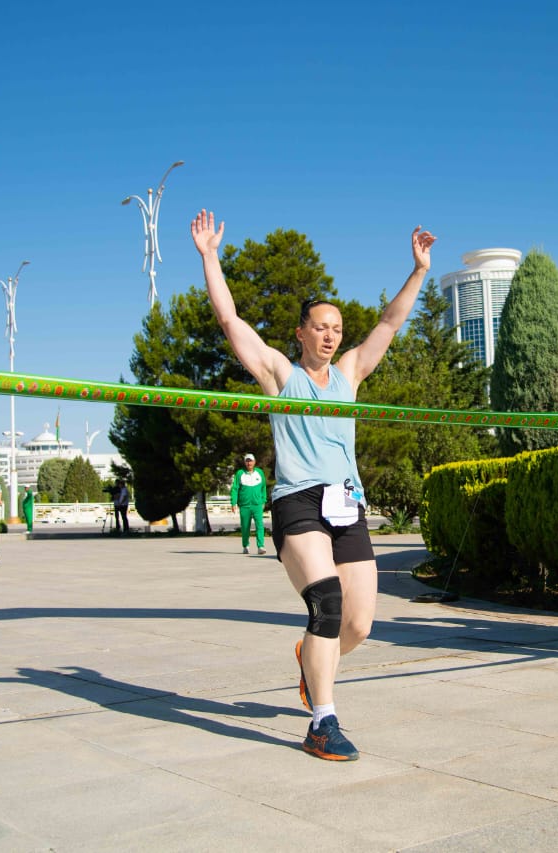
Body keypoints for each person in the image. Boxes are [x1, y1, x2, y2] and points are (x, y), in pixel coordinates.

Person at [192, 208, 436, 761]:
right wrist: (211, 257)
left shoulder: (350, 373)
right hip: (298, 501)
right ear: (301, 332)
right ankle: (322, 722)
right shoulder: (281, 373)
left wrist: (418, 271)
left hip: (346, 503)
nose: (331, 336)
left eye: (338, 330)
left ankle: (309, 656)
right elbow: (231, 322)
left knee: (358, 624)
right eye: (321, 328)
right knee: (325, 599)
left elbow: (390, 325)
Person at [230, 452, 268, 555]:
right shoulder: (240, 473)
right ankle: (245, 545)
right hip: (244, 505)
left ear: (254, 462)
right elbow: (235, 488)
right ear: (244, 463)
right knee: (245, 526)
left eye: (250, 461)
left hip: (257, 505)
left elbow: (263, 487)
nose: (249, 463)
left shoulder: (259, 473)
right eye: (247, 461)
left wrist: (263, 500)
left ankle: (261, 546)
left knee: (259, 525)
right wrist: (233, 502)